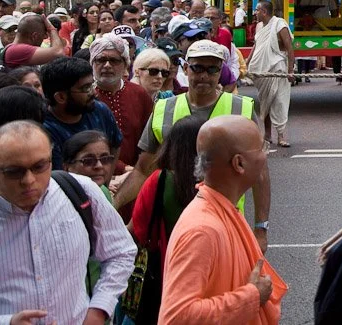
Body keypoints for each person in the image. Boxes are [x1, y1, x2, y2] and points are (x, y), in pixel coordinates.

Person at [0, 119, 136, 323]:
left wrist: (99, 308)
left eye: (39, 167)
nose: (29, 180)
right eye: (15, 171)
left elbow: (121, 252)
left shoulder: (81, 193)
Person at [117, 40, 265, 252]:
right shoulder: (163, 109)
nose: (204, 75)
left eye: (212, 69)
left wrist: (261, 228)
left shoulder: (240, 108)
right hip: (172, 223)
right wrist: (114, 205)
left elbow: (259, 172)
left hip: (227, 220)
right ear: (185, 69)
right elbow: (143, 169)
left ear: (220, 72)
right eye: (197, 67)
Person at [159, 117, 286, 324]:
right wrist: (252, 296)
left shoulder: (222, 210)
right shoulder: (203, 230)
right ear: (239, 163)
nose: (265, 155)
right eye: (262, 147)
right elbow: (176, 317)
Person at [128, 114, 205, 325]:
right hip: (206, 271)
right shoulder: (216, 181)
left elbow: (140, 230)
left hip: (165, 275)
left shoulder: (159, 180)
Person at [41, 55, 123, 169]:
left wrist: (105, 180)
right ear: (60, 97)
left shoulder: (100, 111)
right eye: (85, 88)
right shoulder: (44, 131)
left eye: (92, 85)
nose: (94, 93)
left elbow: (115, 145)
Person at [89, 35, 153, 173]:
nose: (107, 65)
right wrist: (122, 168)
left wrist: (136, 171)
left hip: (137, 174)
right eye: (101, 60)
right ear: (92, 63)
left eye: (114, 60)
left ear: (125, 64)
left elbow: (150, 141)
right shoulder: (85, 97)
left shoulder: (139, 94)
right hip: (95, 174)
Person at [249, 0, 293, 149]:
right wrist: (247, 63)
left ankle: (281, 135)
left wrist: (291, 71)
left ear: (264, 12)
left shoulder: (280, 24)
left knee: (279, 101)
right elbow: (256, 46)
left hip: (277, 68)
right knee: (265, 102)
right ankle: (267, 135)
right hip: (261, 71)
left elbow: (289, 48)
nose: (255, 13)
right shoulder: (259, 26)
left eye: (257, 10)